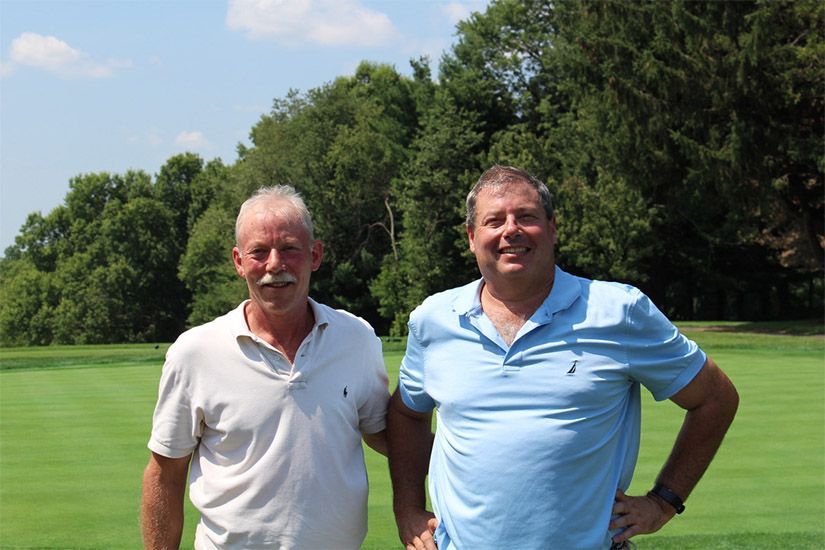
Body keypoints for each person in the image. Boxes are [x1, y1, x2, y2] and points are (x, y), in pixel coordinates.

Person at [387, 165, 739, 550]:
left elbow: (715, 398)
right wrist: (408, 509)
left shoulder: (617, 311)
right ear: (472, 237)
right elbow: (407, 413)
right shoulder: (435, 319)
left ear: (552, 228)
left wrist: (663, 501)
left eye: (526, 217)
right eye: (494, 221)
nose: (511, 230)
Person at [141, 185, 390, 549]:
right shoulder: (195, 351)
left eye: (289, 248)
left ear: (315, 255)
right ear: (238, 261)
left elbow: (384, 433)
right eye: (259, 251)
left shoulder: (357, 338)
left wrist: (463, 448)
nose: (275, 264)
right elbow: (165, 473)